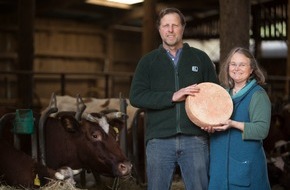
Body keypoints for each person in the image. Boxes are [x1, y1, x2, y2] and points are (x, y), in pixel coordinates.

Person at [129, 7, 218, 190]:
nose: (170, 30)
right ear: (159, 29)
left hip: (195, 139)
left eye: (175, 25)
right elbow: (136, 96)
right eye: (165, 25)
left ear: (182, 28)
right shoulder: (148, 62)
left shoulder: (200, 59)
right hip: (159, 140)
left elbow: (214, 96)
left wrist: (211, 121)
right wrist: (172, 96)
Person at [202, 47, 271, 189]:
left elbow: (261, 130)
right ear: (228, 68)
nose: (236, 68)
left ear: (251, 69)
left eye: (242, 64)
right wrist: (210, 128)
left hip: (245, 169)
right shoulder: (222, 95)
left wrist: (233, 124)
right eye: (233, 64)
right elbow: (216, 124)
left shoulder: (257, 95)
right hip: (219, 170)